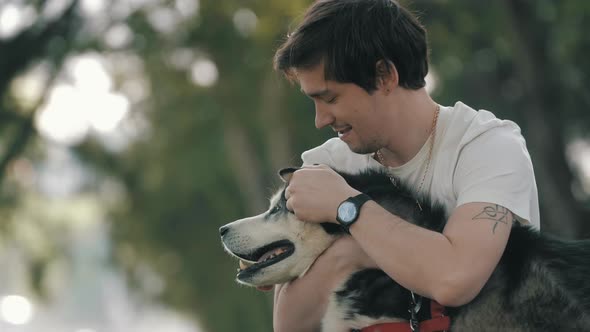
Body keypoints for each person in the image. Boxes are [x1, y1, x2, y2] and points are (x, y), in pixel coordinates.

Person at [269, 0, 540, 331]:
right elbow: (292, 324)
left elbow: (455, 279)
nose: (320, 119)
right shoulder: (326, 167)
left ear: (384, 76)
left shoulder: (487, 147)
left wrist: (347, 211)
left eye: (330, 99)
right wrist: (355, 252)